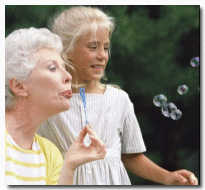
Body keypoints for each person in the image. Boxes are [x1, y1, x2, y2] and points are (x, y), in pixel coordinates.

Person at [37, 6, 198, 185]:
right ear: (66, 51)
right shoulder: (47, 101)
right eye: (93, 47)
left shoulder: (118, 99)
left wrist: (166, 177)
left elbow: (130, 157)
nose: (102, 56)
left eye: (106, 48)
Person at [5, 27, 106, 185]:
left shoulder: (50, 155)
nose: (68, 77)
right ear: (19, 86)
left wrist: (69, 165)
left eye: (64, 68)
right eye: (52, 68)